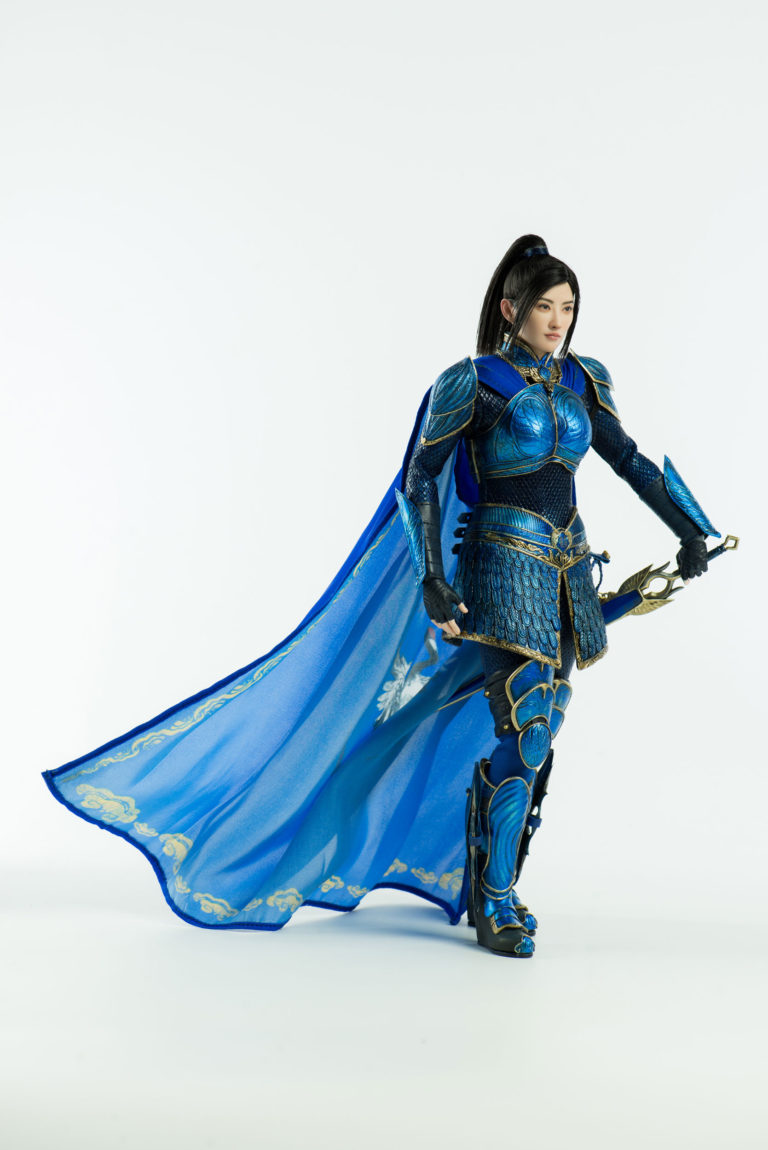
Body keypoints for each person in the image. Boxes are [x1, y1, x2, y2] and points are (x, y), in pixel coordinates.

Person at [43, 234, 718, 957]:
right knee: (526, 725)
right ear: (510, 308)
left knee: (544, 724)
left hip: (568, 571)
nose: (558, 321)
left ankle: (491, 877)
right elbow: (418, 478)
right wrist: (431, 575)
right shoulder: (474, 381)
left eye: (569, 307)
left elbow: (628, 459)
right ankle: (494, 897)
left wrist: (692, 527)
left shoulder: (584, 379)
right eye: (545, 306)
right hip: (499, 566)